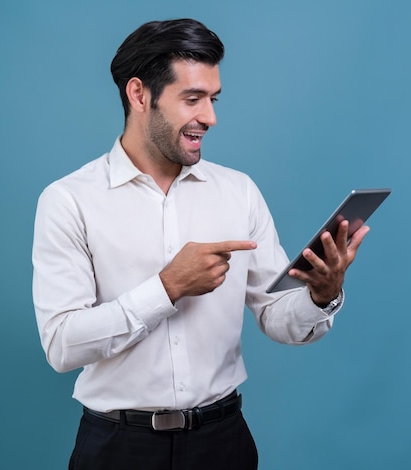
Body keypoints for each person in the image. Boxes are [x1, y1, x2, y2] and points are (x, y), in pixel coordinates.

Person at [32, 18, 370, 470]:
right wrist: (168, 287)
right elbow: (62, 345)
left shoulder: (239, 191)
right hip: (117, 449)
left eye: (212, 98)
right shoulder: (69, 200)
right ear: (139, 95)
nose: (210, 117)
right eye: (192, 99)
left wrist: (321, 294)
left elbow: (277, 318)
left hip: (223, 442)